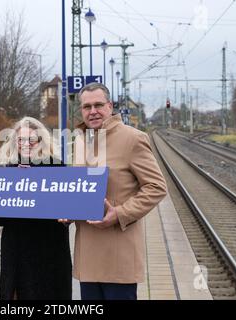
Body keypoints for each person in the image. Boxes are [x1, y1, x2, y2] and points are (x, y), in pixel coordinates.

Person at [70, 82, 167, 300]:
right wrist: (68, 210)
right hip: (87, 259)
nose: (92, 111)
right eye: (87, 107)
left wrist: (120, 213)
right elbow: (79, 189)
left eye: (98, 105)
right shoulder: (81, 141)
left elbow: (157, 187)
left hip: (118, 258)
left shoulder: (132, 138)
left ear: (110, 106)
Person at [0, 117, 72, 300]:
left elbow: (66, 208)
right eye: (20, 139)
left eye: (31, 140)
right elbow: (3, 211)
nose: (26, 144)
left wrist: (67, 216)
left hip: (48, 246)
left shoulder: (57, 167)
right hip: (15, 246)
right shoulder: (7, 169)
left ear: (41, 142)